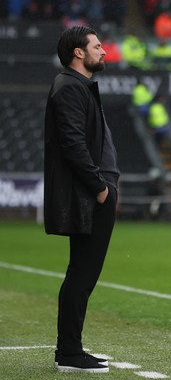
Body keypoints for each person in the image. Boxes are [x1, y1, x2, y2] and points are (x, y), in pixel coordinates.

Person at [44, 26, 120, 373]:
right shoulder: (69, 88)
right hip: (90, 195)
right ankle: (70, 354)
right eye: (97, 46)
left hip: (95, 192)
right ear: (78, 52)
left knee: (82, 274)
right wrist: (100, 188)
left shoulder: (79, 87)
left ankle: (70, 351)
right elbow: (73, 144)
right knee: (82, 275)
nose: (104, 51)